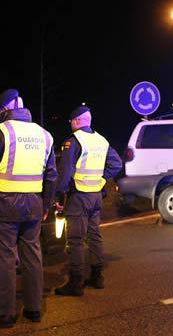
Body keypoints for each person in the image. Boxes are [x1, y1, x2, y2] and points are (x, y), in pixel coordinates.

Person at [0, 89, 57, 328]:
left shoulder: (0, 132)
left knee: (5, 259)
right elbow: (52, 176)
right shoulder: (45, 135)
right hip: (34, 205)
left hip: (5, 205)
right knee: (33, 257)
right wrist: (46, 204)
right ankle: (34, 309)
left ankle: (4, 313)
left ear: (5, 109)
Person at [53, 105, 123, 296]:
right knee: (94, 236)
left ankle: (75, 283)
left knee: (75, 240)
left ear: (76, 121)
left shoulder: (74, 141)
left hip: (79, 197)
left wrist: (59, 195)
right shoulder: (101, 140)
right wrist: (101, 180)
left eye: (71, 122)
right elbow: (117, 164)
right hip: (96, 196)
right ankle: (97, 277)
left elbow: (65, 172)